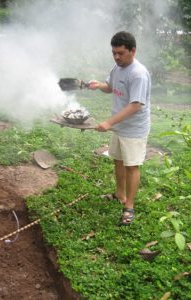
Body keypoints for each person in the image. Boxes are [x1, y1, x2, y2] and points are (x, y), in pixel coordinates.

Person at [89, 31, 151, 225]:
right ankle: (119, 194)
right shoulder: (118, 68)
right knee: (117, 160)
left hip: (133, 129)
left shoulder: (138, 74)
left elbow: (135, 105)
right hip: (119, 127)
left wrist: (109, 122)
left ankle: (129, 207)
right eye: (114, 53)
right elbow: (111, 86)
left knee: (131, 166)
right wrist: (99, 84)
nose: (116, 57)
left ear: (133, 51)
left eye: (120, 53)